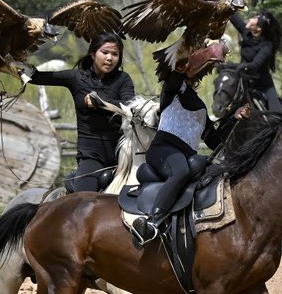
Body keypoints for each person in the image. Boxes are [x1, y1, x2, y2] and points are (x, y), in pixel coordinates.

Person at [131, 63, 236, 245]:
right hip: (163, 149)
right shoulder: (173, 88)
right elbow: (173, 76)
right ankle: (152, 223)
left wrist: (235, 118)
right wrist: (186, 55)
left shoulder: (201, 107)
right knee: (181, 171)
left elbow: (215, 141)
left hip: (186, 156)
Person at [25, 32, 136, 192]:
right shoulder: (76, 78)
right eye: (105, 52)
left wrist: (101, 103)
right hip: (91, 155)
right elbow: (35, 77)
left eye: (115, 54)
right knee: (84, 199)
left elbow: (130, 107)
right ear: (92, 53)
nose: (110, 58)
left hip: (122, 155)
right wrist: (10, 63)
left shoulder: (123, 79)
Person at [229, 10, 282, 112]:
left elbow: (255, 65)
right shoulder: (246, 33)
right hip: (245, 82)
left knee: (277, 114)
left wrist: (238, 66)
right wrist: (228, 4)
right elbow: (233, 16)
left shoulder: (267, 46)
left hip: (263, 86)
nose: (250, 18)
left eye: (254, 18)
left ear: (259, 28)